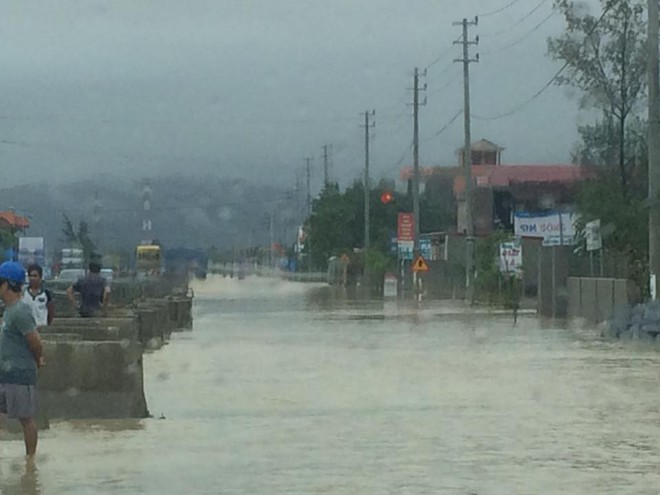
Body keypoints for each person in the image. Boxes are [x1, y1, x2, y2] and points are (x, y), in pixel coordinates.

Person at [0, 261, 44, 457]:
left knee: (25, 418)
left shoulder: (20, 310)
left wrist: (37, 360)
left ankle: (30, 460)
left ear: (6, 285)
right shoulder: (9, 310)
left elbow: (35, 341)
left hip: (19, 373)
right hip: (5, 373)